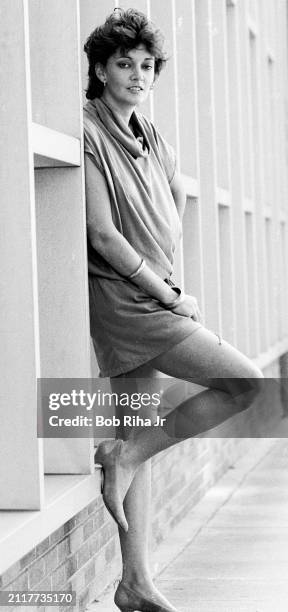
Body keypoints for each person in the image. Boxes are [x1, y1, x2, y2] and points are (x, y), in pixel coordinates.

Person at [83, 8, 264, 612]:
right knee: (246, 384)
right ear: (100, 70)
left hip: (154, 293)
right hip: (131, 304)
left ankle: (135, 584)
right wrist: (167, 291)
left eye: (146, 66)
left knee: (139, 431)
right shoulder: (89, 130)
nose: (137, 75)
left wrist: (167, 249)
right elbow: (102, 234)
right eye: (124, 65)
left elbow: (176, 190)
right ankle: (122, 454)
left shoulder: (150, 134)